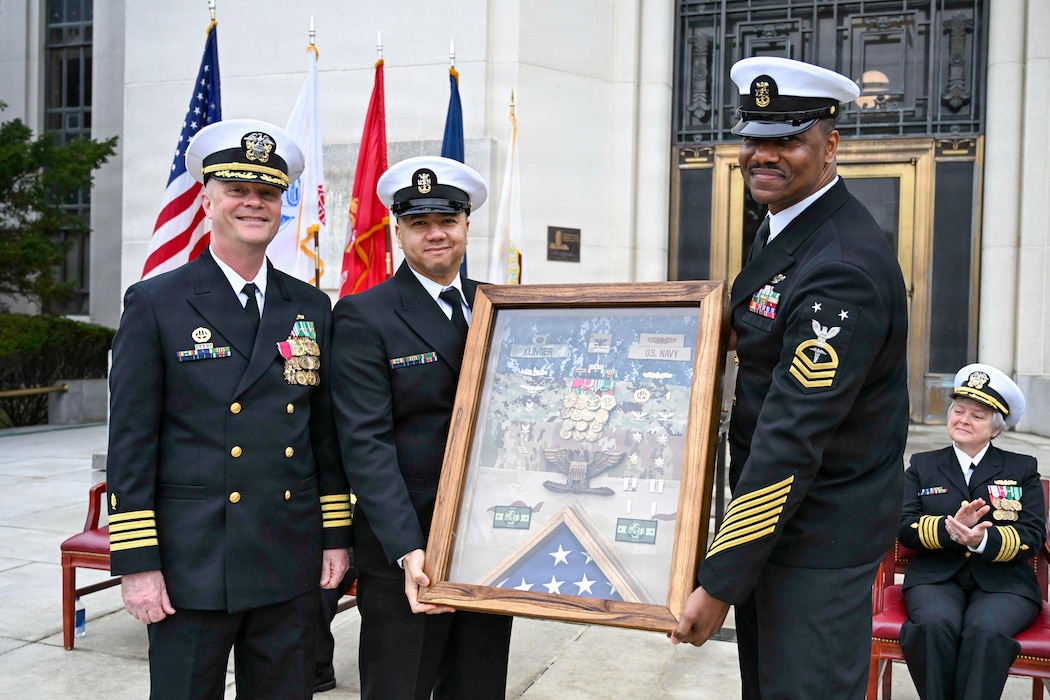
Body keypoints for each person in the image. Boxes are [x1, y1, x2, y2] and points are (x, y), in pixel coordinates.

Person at [671, 56, 910, 699]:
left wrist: (720, 579)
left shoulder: (841, 268)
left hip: (816, 538)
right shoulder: (789, 225)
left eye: (787, 140)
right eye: (754, 137)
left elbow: (790, 438)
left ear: (831, 144)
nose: (763, 155)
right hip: (782, 530)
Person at [106, 119, 351, 699]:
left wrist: (335, 535)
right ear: (207, 199)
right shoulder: (157, 302)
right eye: (237, 189)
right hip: (192, 562)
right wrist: (138, 562)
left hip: (287, 557)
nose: (253, 203)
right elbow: (132, 443)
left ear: (281, 204)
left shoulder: (311, 305)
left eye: (267, 192)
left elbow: (324, 433)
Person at [331, 155, 513, 700]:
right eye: (419, 223)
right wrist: (409, 547)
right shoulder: (365, 315)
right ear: (399, 229)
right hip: (410, 545)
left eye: (447, 221)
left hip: (488, 539)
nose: (436, 234)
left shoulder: (499, 305)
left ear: (466, 225)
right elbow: (366, 442)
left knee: (477, 685)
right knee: (399, 687)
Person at [899, 364, 1043, 700]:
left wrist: (982, 540)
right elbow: (905, 527)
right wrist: (952, 530)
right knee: (932, 627)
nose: (963, 419)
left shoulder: (1022, 468)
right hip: (936, 577)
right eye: (958, 411)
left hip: (1004, 582)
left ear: (995, 429)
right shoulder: (922, 465)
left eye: (977, 416)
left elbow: (1032, 534)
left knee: (986, 631)